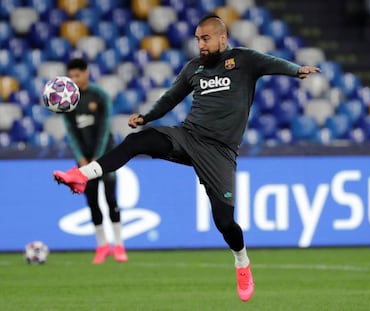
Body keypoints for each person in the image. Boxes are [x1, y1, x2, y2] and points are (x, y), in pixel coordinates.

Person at [54, 14, 320, 301]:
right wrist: (146, 116)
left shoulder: (244, 60)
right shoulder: (194, 68)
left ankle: (241, 261)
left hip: (219, 153)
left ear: (222, 37)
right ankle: (82, 175)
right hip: (188, 136)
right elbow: (171, 98)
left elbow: (273, 63)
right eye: (197, 39)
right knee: (137, 141)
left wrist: (296, 70)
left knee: (225, 223)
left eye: (205, 38)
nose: (200, 44)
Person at [61, 58, 128, 264]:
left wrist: (97, 158)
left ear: (86, 73)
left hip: (105, 157)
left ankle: (118, 245)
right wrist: (81, 158)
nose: (74, 79)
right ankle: (102, 245)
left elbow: (104, 129)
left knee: (111, 200)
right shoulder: (68, 99)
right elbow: (71, 132)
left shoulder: (100, 96)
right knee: (92, 202)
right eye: (70, 76)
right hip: (83, 160)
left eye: (77, 75)